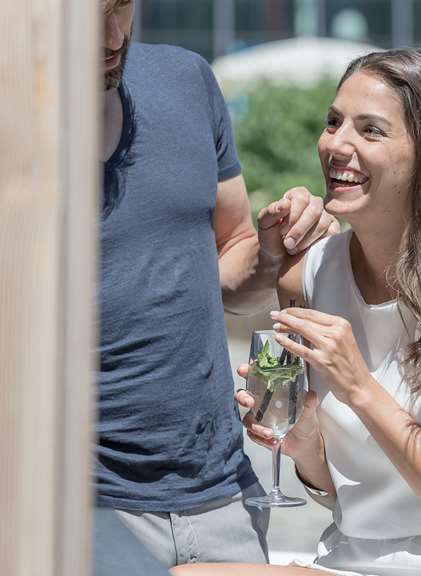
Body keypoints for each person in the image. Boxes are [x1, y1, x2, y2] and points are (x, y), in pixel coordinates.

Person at [172, 48, 421, 576]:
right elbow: (345, 495)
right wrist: (305, 443)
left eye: (370, 130)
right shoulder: (304, 275)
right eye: (334, 122)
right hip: (349, 557)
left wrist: (359, 388)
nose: (335, 144)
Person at [99, 0, 337, 567]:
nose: (113, 36)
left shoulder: (186, 79)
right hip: (85, 501)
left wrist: (272, 253)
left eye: (122, 7)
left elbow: (230, 260)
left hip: (224, 494)